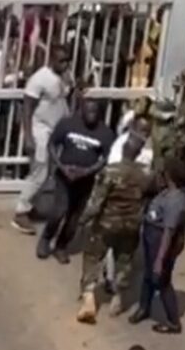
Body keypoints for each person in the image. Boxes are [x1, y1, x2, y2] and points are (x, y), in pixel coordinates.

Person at [77, 135, 152, 323]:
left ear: (124, 150)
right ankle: (117, 298)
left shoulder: (110, 172)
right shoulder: (145, 176)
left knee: (92, 257)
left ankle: (89, 298)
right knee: (124, 261)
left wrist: (83, 219)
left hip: (106, 224)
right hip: (131, 226)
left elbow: (96, 202)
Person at [40, 97, 114, 264]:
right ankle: (46, 238)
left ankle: (61, 246)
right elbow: (52, 144)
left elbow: (106, 158)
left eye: (95, 111)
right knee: (59, 211)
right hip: (64, 175)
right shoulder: (67, 124)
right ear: (81, 110)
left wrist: (88, 171)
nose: (91, 114)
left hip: (85, 180)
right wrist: (61, 166)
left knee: (74, 218)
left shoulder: (105, 133)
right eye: (88, 111)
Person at [12, 45, 72, 234]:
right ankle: (21, 211)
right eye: (61, 61)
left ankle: (31, 207)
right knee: (39, 171)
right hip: (40, 130)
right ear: (52, 59)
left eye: (67, 61)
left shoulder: (65, 76)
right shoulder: (40, 78)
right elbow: (27, 107)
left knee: (49, 172)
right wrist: (28, 136)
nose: (64, 65)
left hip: (55, 131)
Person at [129, 157, 185, 334]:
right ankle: (144, 308)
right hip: (152, 237)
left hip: (160, 242)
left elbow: (168, 233)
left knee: (161, 280)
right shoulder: (167, 192)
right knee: (148, 275)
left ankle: (173, 322)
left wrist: (159, 260)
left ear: (170, 175)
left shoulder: (175, 200)